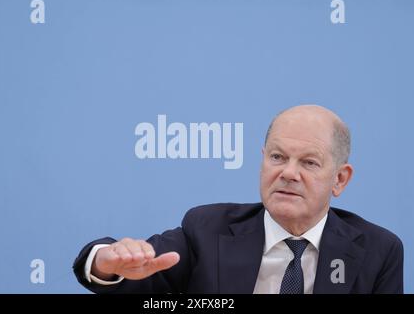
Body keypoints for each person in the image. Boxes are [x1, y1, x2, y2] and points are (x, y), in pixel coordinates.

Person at [73, 104, 404, 294]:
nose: (288, 173)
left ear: (340, 179)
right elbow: (138, 274)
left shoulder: (378, 251)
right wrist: (105, 264)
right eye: (277, 157)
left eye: (309, 162)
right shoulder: (207, 230)